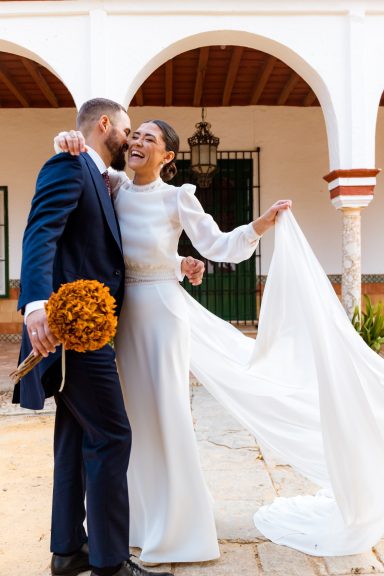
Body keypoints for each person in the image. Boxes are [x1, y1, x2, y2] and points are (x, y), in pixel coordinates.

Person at [55, 120, 290, 565]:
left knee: (166, 415)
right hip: (121, 317)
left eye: (151, 139)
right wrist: (63, 140)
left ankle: (181, 528)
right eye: (136, 135)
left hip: (162, 316)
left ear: (167, 158)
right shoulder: (116, 187)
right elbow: (82, 165)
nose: (139, 142)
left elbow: (216, 245)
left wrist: (258, 226)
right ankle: (138, 524)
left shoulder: (179, 195)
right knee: (128, 424)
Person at [13, 99, 204, 576]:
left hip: (88, 330)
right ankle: (111, 563)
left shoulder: (102, 178)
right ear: (106, 126)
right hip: (75, 333)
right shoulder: (72, 165)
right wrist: (36, 303)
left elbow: (124, 243)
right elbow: (41, 234)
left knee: (75, 435)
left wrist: (175, 264)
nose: (130, 139)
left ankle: (67, 550)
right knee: (113, 435)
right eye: (126, 130)